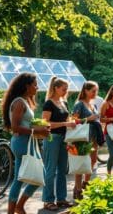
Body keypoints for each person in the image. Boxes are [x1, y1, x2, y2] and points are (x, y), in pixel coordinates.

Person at [2, 73, 50, 214]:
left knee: (20, 178)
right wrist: (36, 131)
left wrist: (39, 129)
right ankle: (16, 208)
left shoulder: (24, 101)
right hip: (22, 143)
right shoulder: (19, 102)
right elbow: (15, 127)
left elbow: (25, 124)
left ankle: (17, 207)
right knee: (33, 175)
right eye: (35, 84)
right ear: (27, 86)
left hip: (24, 142)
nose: (37, 87)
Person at [42, 77, 76, 211]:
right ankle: (48, 200)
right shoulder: (48, 103)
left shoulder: (64, 102)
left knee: (63, 170)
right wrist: (65, 123)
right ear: (55, 88)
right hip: (52, 138)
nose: (66, 91)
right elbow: (45, 124)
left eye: (67, 89)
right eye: (64, 89)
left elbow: (67, 119)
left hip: (64, 138)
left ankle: (61, 198)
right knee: (50, 170)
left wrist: (73, 122)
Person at [72, 81, 103, 199]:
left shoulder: (92, 104)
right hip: (82, 137)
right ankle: (78, 190)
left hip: (93, 137)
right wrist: (88, 118)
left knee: (93, 161)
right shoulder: (79, 104)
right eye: (93, 91)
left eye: (96, 91)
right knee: (81, 163)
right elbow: (73, 120)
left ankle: (86, 183)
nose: (95, 93)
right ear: (85, 90)